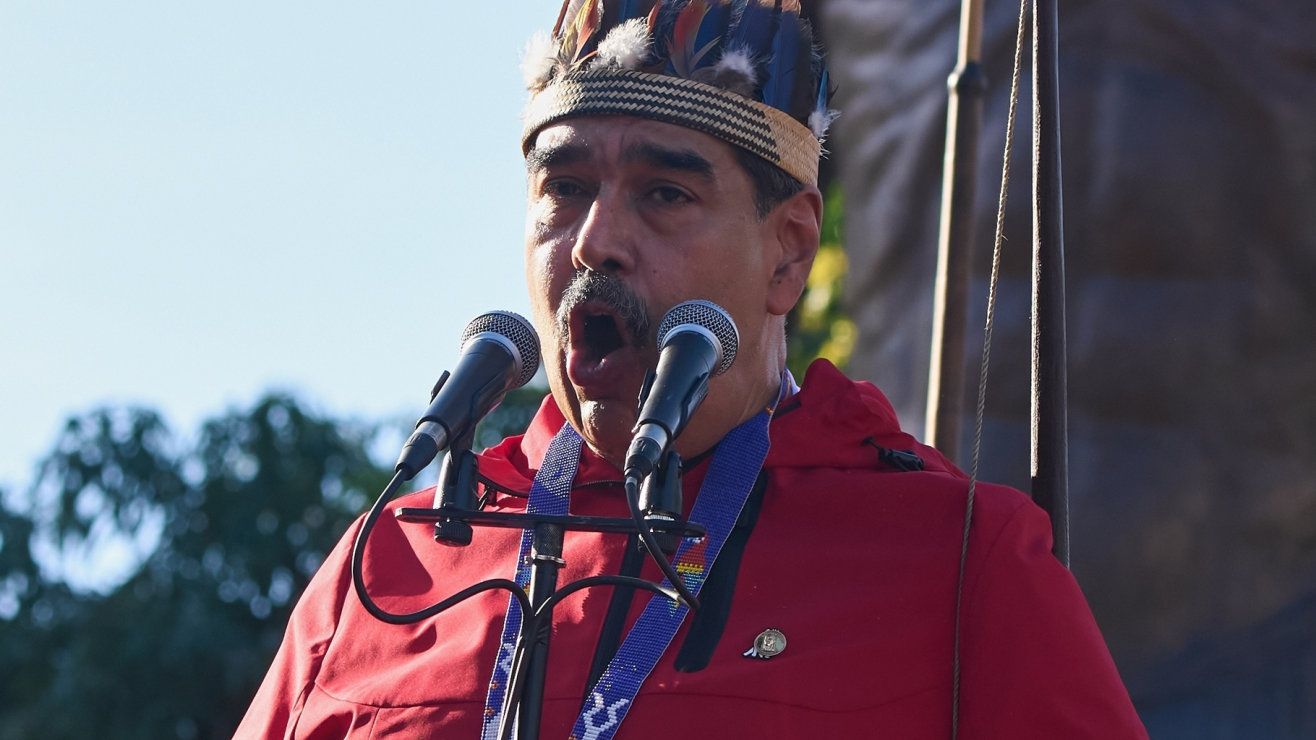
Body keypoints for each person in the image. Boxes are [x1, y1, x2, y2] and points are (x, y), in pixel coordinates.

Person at [235, 1, 1148, 738]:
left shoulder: (960, 558)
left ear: (790, 251)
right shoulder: (381, 565)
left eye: (665, 194)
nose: (595, 241)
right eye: (565, 189)